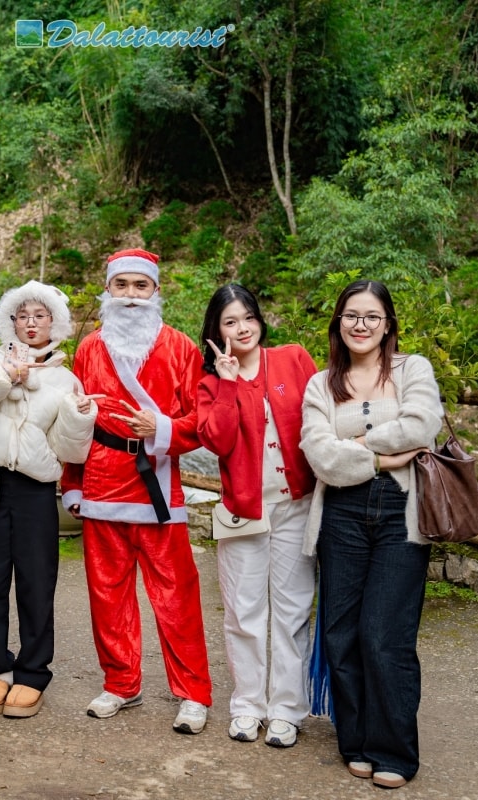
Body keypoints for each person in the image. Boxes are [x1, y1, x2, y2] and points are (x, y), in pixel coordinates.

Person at [60, 248, 212, 734]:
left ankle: (193, 692)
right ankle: (121, 682)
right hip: (102, 476)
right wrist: (72, 483)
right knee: (107, 593)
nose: (130, 296)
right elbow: (75, 424)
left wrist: (161, 426)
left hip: (158, 482)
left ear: (156, 292)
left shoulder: (182, 348)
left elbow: (201, 423)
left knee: (176, 594)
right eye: (121, 286)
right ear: (108, 290)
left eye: (140, 286)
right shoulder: (88, 348)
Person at [300, 279, 443, 790]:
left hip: (400, 512)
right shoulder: (321, 383)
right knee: (340, 633)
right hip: (340, 513)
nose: (361, 325)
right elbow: (318, 455)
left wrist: (355, 444)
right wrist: (380, 456)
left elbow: (422, 424)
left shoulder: (413, 369)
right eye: (351, 316)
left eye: (372, 317)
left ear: (388, 325)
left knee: (385, 635)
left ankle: (394, 750)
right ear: (338, 323)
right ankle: (355, 740)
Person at [0, 281, 97, 719]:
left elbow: (71, 452)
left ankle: (32, 672)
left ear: (54, 322)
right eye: (23, 316)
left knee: (36, 584)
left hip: (34, 491)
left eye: (40, 315)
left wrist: (79, 417)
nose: (31, 324)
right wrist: (5, 376)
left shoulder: (65, 378)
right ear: (9, 321)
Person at [196, 284, 318, 748]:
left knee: (291, 611)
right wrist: (227, 382)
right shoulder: (210, 383)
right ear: (216, 330)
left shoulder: (291, 359)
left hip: (295, 505)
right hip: (243, 511)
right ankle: (248, 705)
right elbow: (218, 441)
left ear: (260, 320)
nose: (242, 328)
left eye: (248, 317)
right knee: (244, 612)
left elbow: (319, 415)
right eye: (230, 321)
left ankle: (287, 708)